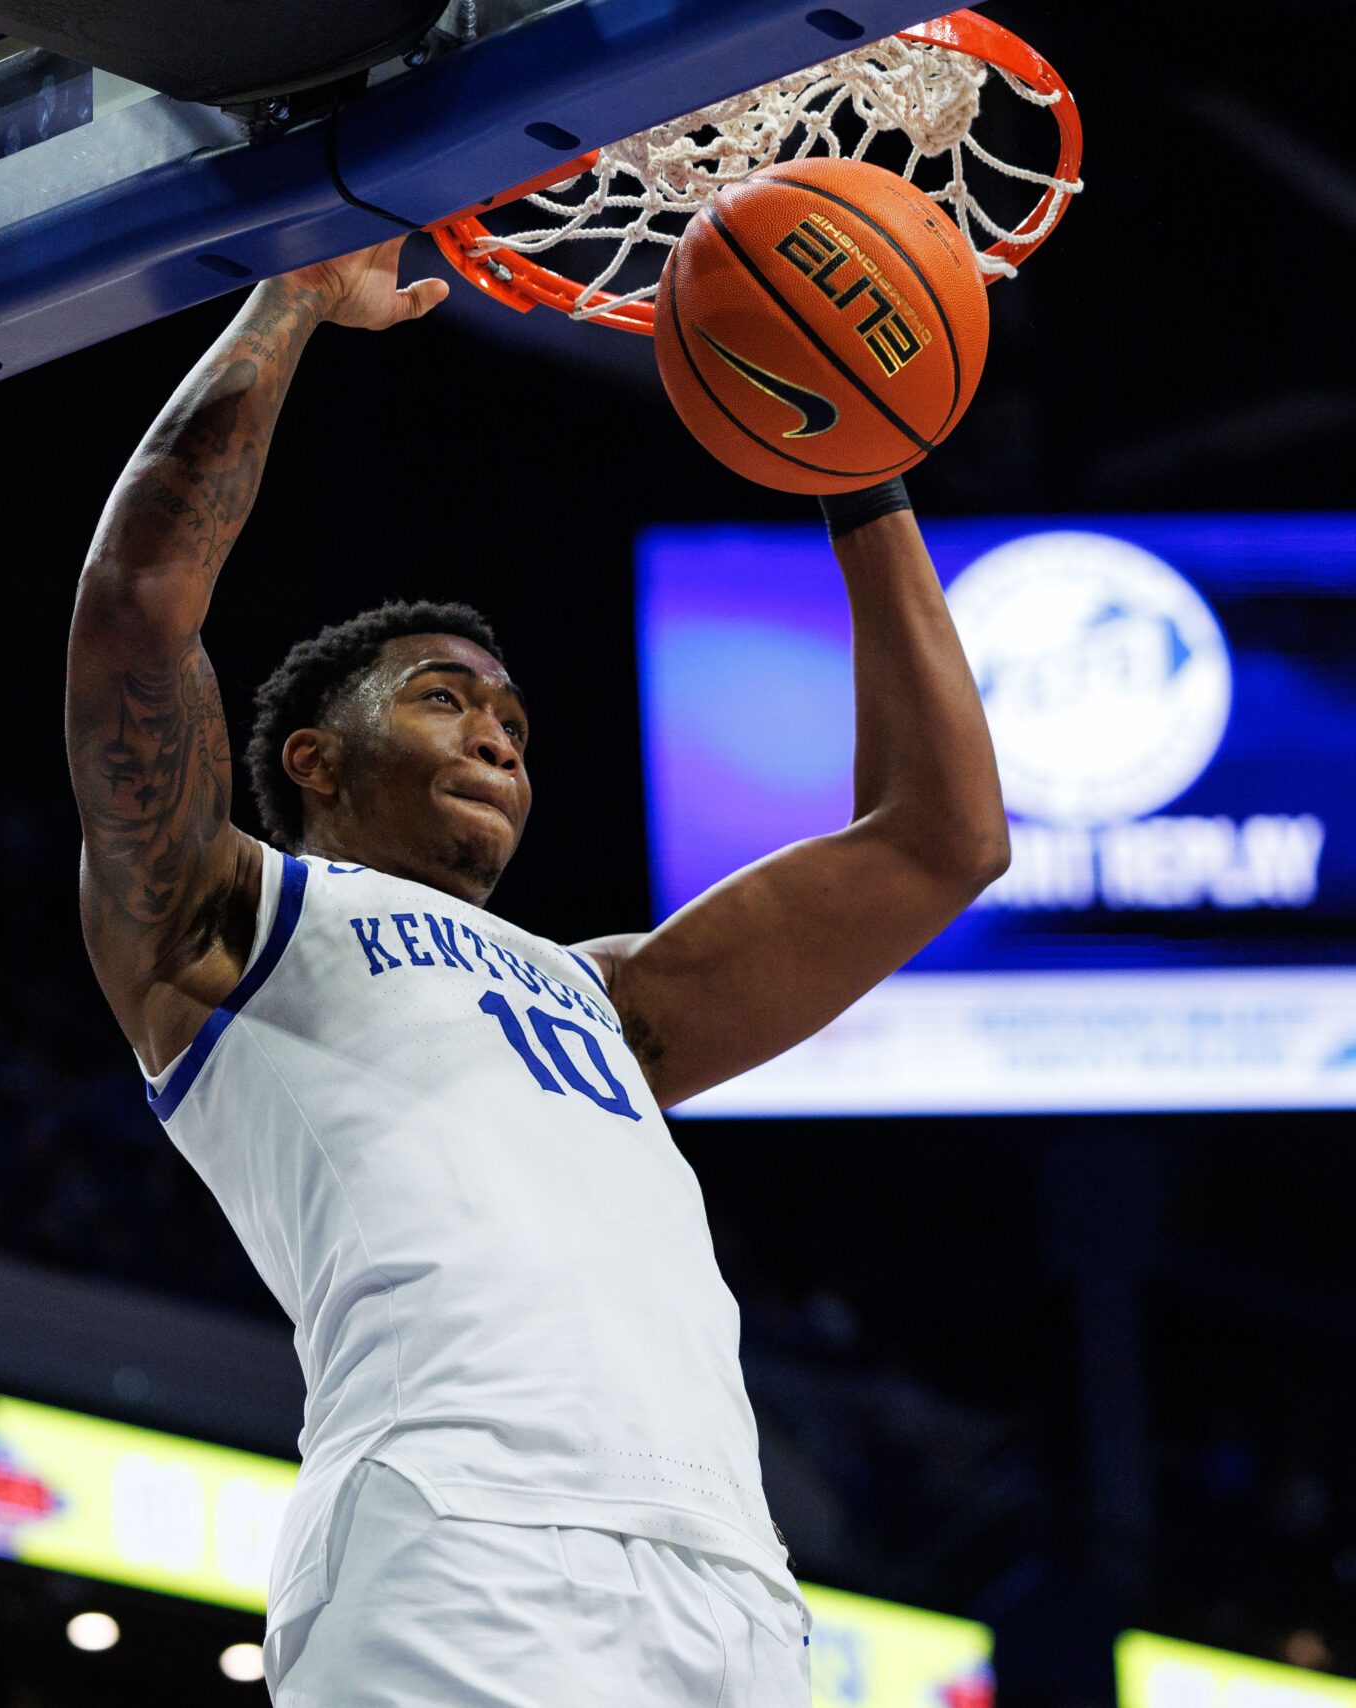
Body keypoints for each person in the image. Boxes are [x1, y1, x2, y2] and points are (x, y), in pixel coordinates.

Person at [66, 235, 1007, 1706]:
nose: (500, 731)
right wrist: (300, 292)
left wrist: (861, 469)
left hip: (729, 1589)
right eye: (445, 698)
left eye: (512, 715)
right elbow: (136, 608)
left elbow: (940, 838)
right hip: (457, 1544)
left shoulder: (612, 1000)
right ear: (314, 757)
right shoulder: (229, 917)